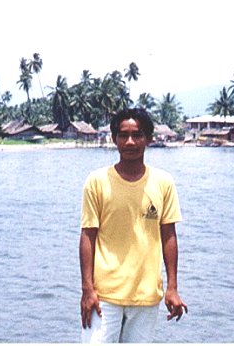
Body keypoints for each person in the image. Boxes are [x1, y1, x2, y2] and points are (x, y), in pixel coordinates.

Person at [79, 108, 188, 343]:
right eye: (123, 135)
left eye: (137, 135)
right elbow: (88, 235)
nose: (130, 142)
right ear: (114, 139)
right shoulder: (96, 181)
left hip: (146, 296)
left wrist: (172, 287)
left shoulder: (163, 182)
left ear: (148, 139)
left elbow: (169, 235)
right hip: (103, 296)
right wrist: (87, 289)